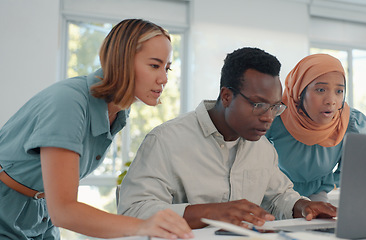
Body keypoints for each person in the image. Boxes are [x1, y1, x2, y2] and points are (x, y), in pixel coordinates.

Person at [0, 19, 193, 240]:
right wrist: (143, 225)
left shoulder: (119, 111)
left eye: (167, 67)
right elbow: (64, 209)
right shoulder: (68, 103)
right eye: (154, 65)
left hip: (40, 219)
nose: (164, 79)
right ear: (122, 61)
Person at [117, 47, 337, 229]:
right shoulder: (166, 141)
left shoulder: (262, 148)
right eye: (259, 105)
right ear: (226, 96)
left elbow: (279, 197)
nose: (268, 118)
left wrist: (302, 206)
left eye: (275, 107)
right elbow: (133, 210)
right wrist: (209, 212)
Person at [265, 53, 366, 202]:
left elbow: (349, 175)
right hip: (274, 198)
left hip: (318, 198)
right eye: (321, 90)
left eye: (339, 91)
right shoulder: (275, 118)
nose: (331, 101)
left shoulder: (350, 123)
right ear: (300, 91)